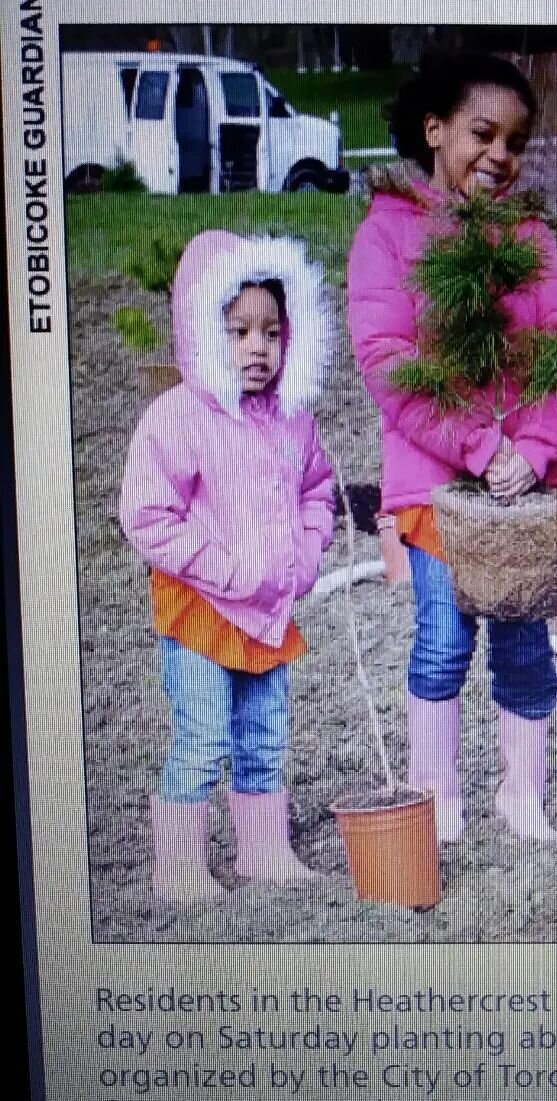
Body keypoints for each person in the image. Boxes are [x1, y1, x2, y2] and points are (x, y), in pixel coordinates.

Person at [346, 51, 557, 844]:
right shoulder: (387, 232)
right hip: (434, 485)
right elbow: (389, 364)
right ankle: (437, 793)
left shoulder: (530, 238)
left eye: (515, 142)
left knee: (524, 642)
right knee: (444, 639)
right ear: (435, 128)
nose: (500, 156)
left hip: (528, 487)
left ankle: (524, 797)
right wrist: (483, 448)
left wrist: (539, 447)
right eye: (482, 133)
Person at [120, 230, 336, 902]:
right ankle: (179, 865)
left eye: (271, 332)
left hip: (268, 611)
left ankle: (263, 850)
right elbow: (148, 515)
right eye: (238, 330)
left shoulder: (292, 420)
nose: (257, 348)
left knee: (264, 736)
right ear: (201, 331)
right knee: (202, 739)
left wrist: (303, 556)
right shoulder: (177, 418)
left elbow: (317, 490)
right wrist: (224, 570)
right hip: (202, 613)